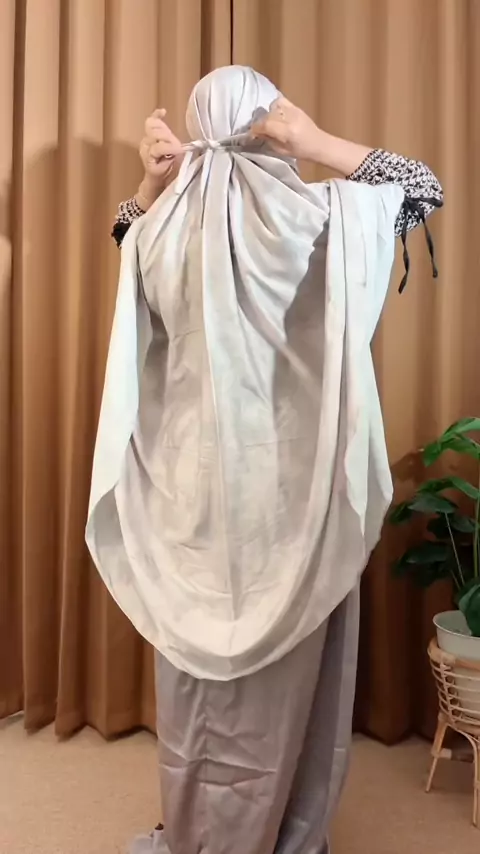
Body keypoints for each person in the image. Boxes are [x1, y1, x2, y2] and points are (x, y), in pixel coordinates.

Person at [87, 66, 443, 854]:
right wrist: (312, 140)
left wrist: (151, 184)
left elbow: (124, 233)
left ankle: (199, 832)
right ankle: (282, 829)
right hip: (294, 495)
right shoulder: (319, 215)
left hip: (190, 495)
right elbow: (423, 186)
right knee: (290, 679)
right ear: (267, 117)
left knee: (196, 679)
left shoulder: (159, 230)